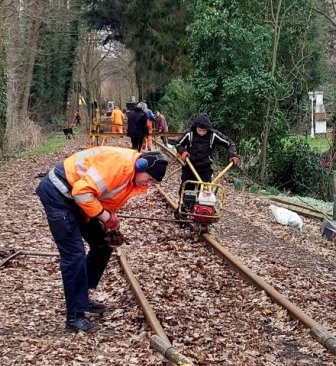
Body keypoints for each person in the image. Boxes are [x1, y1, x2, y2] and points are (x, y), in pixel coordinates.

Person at [36, 147, 169, 332]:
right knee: (74, 255)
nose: (149, 184)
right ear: (141, 165)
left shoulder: (131, 176)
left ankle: (81, 296)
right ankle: (75, 317)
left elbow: (103, 193)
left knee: (102, 244)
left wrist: (107, 217)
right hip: (59, 195)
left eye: (154, 182)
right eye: (150, 179)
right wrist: (105, 217)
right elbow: (82, 192)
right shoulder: (119, 166)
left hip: (79, 199)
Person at [174, 114, 239, 225]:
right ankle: (182, 214)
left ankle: (203, 215)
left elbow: (229, 143)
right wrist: (183, 152)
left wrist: (233, 154)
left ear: (208, 129)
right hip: (190, 166)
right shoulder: (189, 134)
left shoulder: (213, 135)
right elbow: (178, 143)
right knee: (186, 189)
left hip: (205, 167)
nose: (202, 132)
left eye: (204, 130)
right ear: (196, 127)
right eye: (200, 130)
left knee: (205, 192)